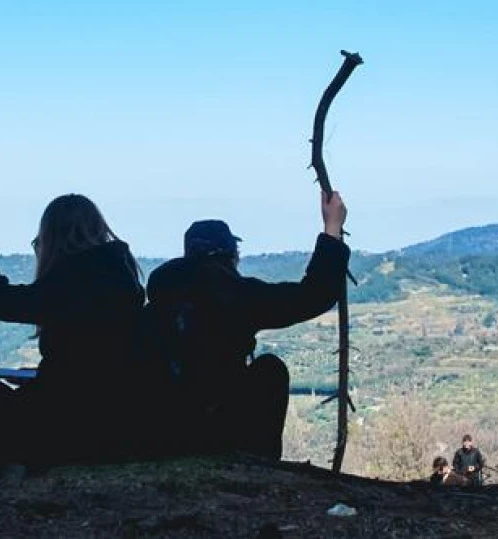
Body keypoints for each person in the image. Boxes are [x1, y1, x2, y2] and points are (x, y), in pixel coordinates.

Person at [0, 193, 152, 486]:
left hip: (65, 429)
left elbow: (2, 300)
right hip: (117, 428)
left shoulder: (74, 279)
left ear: (52, 238)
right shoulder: (123, 279)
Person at [144, 191, 350, 461]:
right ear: (231, 254)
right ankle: (258, 463)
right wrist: (332, 229)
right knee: (269, 370)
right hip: (217, 426)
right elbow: (312, 297)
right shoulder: (237, 296)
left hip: (163, 430)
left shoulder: (158, 299)